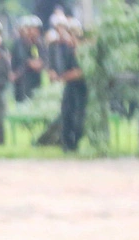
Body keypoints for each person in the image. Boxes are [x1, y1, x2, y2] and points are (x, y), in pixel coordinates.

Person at [54, 21, 86, 153]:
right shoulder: (67, 51)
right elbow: (62, 73)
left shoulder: (86, 53)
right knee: (66, 116)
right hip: (70, 88)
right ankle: (67, 145)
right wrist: (74, 74)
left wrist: (79, 73)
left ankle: (76, 142)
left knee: (79, 119)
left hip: (83, 89)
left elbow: (85, 71)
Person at [11, 16, 45, 102]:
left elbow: (42, 59)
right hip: (21, 80)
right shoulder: (18, 44)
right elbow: (18, 59)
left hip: (35, 78)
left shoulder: (39, 43)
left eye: (34, 29)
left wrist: (39, 63)